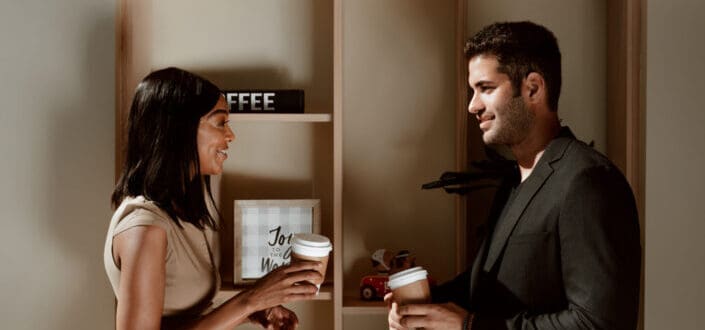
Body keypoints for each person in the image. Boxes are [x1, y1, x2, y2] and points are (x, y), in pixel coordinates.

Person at [387, 21, 641, 329]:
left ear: (532, 88)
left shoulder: (588, 181)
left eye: (486, 88)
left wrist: (470, 326)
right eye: (473, 90)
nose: (472, 105)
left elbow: (598, 323)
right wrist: (426, 305)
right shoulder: (513, 181)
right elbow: (489, 287)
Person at [104, 67, 322, 329]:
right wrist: (250, 300)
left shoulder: (177, 212)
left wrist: (253, 310)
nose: (231, 135)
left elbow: (172, 322)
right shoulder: (145, 228)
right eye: (221, 122)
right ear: (179, 130)